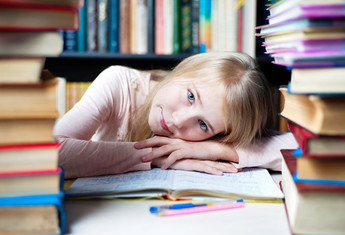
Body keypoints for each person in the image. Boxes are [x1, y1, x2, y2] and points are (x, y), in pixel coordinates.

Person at [54, 52, 298, 179]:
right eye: (191, 96)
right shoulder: (118, 83)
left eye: (203, 124)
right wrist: (153, 157)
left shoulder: (212, 141)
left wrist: (219, 150)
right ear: (185, 70)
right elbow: (51, 152)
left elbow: (304, 147)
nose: (179, 121)